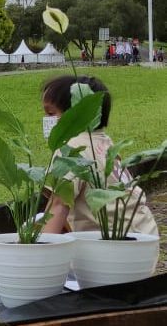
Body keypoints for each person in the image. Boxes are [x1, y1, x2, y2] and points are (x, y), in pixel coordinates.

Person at [41, 75, 158, 236]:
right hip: (144, 235)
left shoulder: (70, 148)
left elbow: (58, 206)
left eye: (50, 113)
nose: (47, 121)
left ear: (76, 114)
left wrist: (38, 255)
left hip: (110, 247)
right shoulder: (105, 143)